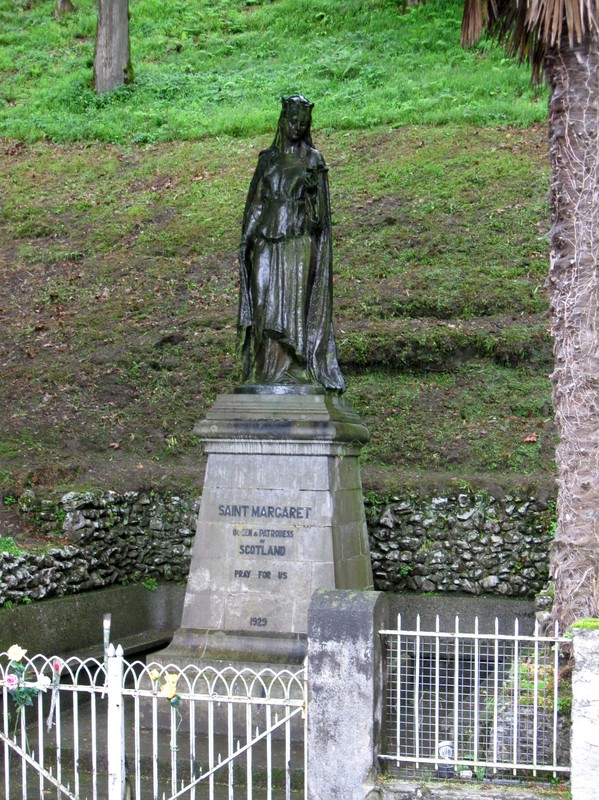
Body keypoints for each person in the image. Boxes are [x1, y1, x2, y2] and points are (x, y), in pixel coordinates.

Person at [237, 95, 345, 392]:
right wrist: (246, 238)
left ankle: (295, 371)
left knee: (294, 308)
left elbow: (321, 219)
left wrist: (312, 193)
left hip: (297, 242)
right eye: (292, 121)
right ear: (281, 121)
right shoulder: (267, 160)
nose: (296, 127)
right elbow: (257, 203)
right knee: (262, 304)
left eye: (302, 123)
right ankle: (265, 373)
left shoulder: (313, 160)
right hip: (265, 241)